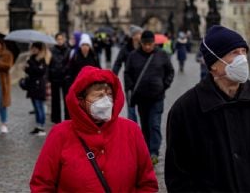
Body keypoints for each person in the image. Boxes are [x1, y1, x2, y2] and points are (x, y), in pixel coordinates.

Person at [165, 25, 250, 192]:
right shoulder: (185, 110)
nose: (242, 58)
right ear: (213, 64)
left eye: (243, 51)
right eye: (234, 53)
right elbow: (178, 177)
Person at [30, 66, 158, 192]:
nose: (106, 101)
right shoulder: (60, 134)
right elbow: (42, 185)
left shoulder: (131, 130)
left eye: (109, 95)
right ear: (81, 100)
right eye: (99, 95)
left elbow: (147, 183)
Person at [124, 30, 175, 165]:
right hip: (141, 98)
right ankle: (146, 150)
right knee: (145, 125)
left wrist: (164, 85)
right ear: (141, 43)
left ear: (154, 43)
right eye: (145, 44)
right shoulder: (133, 56)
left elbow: (170, 71)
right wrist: (130, 89)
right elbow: (127, 73)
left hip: (157, 96)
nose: (147, 47)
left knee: (155, 124)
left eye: (150, 44)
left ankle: (154, 152)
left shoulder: (162, 55)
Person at [112, 25, 143, 122]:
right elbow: (118, 63)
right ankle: (133, 130)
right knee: (131, 109)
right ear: (133, 36)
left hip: (143, 82)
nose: (139, 36)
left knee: (143, 111)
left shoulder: (145, 47)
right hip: (130, 83)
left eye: (140, 34)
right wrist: (113, 77)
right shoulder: (126, 48)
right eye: (137, 34)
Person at [25, 42, 50, 136]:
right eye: (32, 48)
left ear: (39, 49)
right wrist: (28, 67)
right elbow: (28, 70)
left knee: (40, 107)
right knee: (35, 107)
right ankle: (37, 126)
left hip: (39, 86)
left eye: (35, 48)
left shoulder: (42, 59)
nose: (33, 50)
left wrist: (31, 65)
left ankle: (42, 127)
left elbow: (40, 71)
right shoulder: (31, 59)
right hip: (32, 85)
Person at [49, 33, 70, 123]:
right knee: (55, 100)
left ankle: (68, 118)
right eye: (58, 39)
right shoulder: (51, 50)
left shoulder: (68, 50)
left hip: (65, 78)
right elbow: (49, 64)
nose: (60, 41)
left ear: (64, 40)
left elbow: (70, 64)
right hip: (55, 77)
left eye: (61, 39)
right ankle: (56, 119)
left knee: (67, 99)